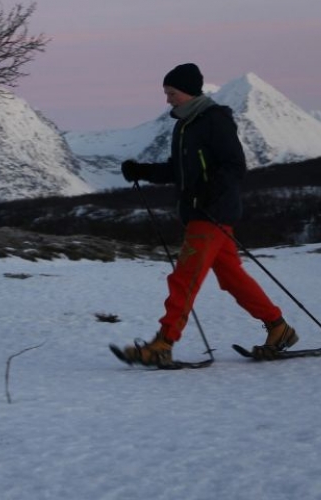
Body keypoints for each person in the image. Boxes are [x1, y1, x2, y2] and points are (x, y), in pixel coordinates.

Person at [116, 63, 298, 367]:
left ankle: (164, 343)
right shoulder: (184, 126)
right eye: (166, 93)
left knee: (184, 277)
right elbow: (179, 171)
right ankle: (279, 329)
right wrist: (142, 171)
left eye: (171, 93)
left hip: (211, 213)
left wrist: (208, 194)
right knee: (232, 278)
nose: (167, 99)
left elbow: (234, 166)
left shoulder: (215, 120)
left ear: (187, 92)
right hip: (203, 212)